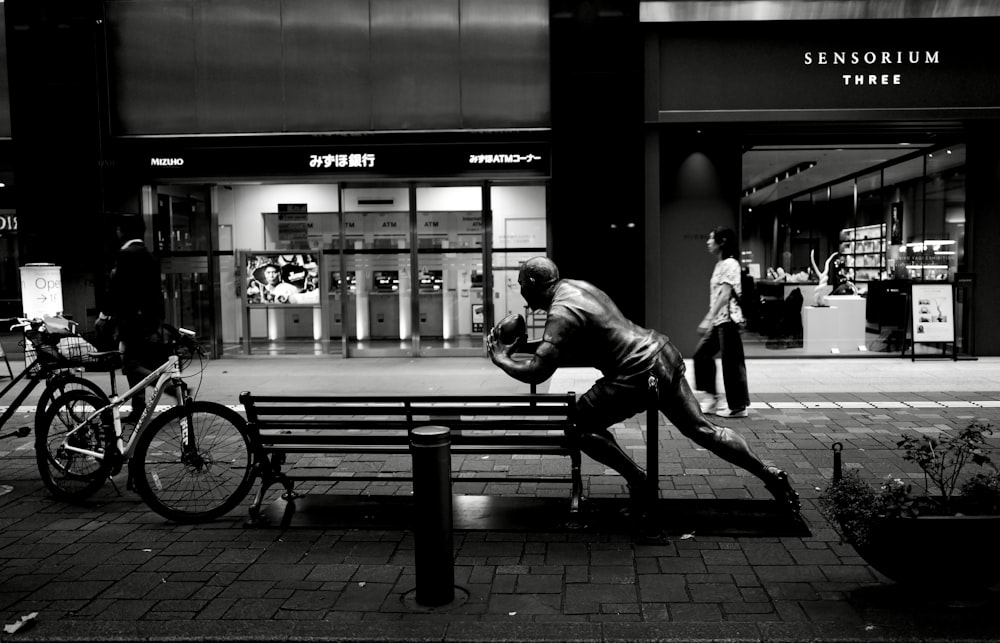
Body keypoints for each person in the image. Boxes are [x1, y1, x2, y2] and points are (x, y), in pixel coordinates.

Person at [486, 256, 799, 520]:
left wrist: (500, 357)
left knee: (577, 425)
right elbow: (569, 346)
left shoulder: (560, 313)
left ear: (532, 283)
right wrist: (527, 345)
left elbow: (537, 372)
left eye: (521, 284)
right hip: (659, 350)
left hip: (635, 372)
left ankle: (640, 483)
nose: (521, 291)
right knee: (702, 429)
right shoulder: (576, 289)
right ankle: (770, 475)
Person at [96, 214, 167, 423]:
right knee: (138, 361)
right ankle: (139, 407)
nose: (116, 232)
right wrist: (158, 320)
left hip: (132, 321)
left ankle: (166, 384)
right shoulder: (149, 255)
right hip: (148, 320)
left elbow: (118, 290)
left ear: (122, 231)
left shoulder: (126, 254)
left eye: (118, 229)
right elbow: (156, 291)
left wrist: (104, 316)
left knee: (130, 363)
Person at [694, 227, 751, 418]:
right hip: (719, 321)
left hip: (729, 320)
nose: (708, 242)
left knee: (731, 364)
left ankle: (738, 406)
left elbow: (725, 295)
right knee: (701, 355)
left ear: (722, 241)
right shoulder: (719, 265)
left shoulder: (730, 264)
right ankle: (711, 397)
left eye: (712, 238)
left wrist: (708, 318)